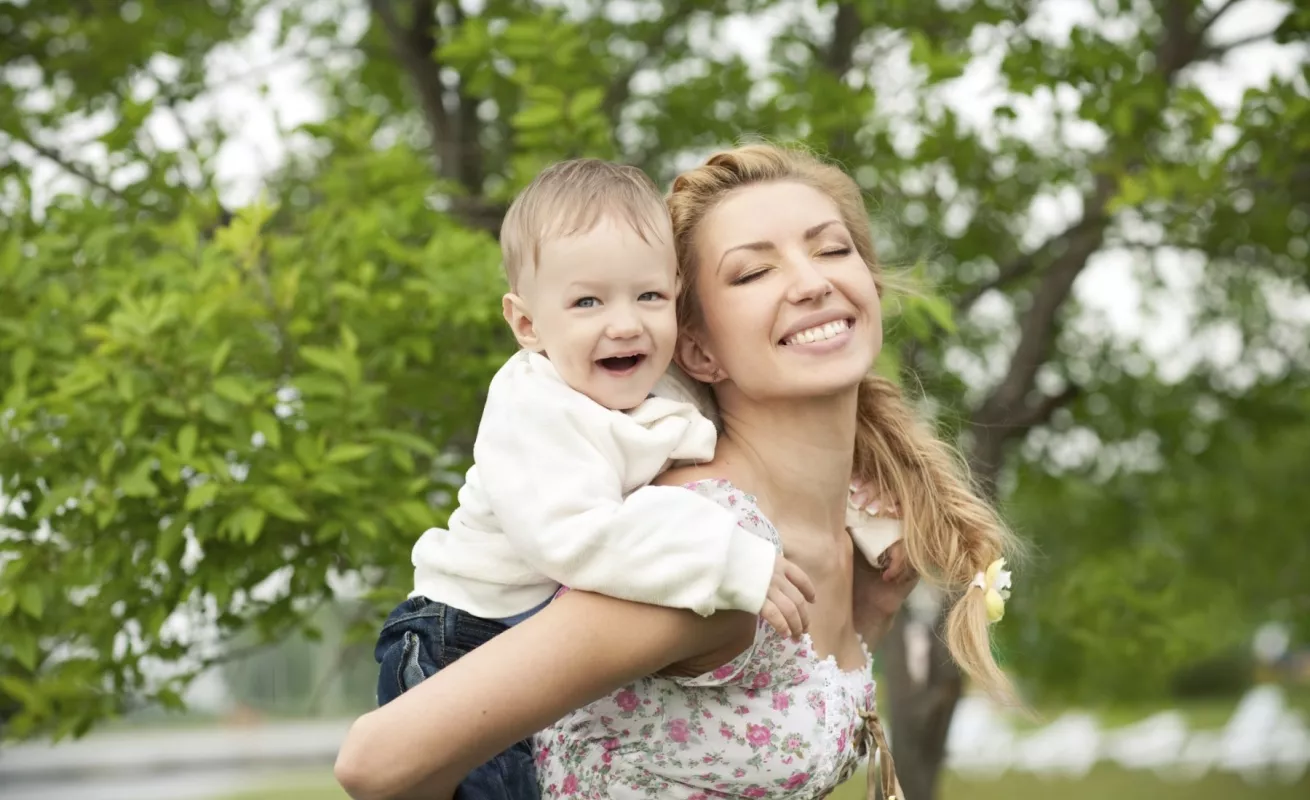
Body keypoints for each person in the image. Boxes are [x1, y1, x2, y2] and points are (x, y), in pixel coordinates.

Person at [336, 143, 1018, 800]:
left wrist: (869, 610)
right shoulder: (691, 545)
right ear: (696, 348)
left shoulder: (851, 549)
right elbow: (376, 764)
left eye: (833, 249)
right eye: (754, 272)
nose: (812, 282)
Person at [375, 158, 816, 800]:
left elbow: (761, 430)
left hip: (527, 640)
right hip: (458, 639)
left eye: (649, 296)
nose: (625, 323)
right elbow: (579, 538)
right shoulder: (534, 407)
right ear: (527, 325)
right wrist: (725, 560)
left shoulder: (636, 394)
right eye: (587, 301)